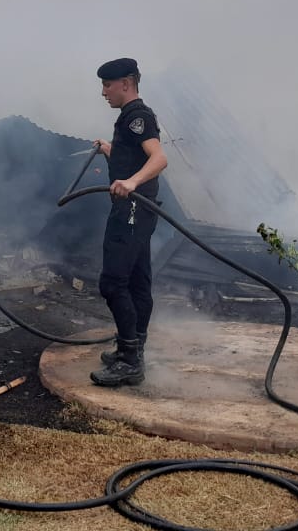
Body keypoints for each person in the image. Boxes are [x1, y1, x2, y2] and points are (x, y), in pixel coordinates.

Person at [90, 57, 168, 387]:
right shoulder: (129, 117)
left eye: (108, 85)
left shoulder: (137, 116)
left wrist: (133, 183)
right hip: (139, 210)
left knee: (113, 282)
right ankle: (132, 348)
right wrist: (110, 150)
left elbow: (159, 158)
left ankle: (130, 360)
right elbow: (133, 156)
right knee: (137, 280)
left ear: (126, 83)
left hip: (133, 209)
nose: (103, 91)